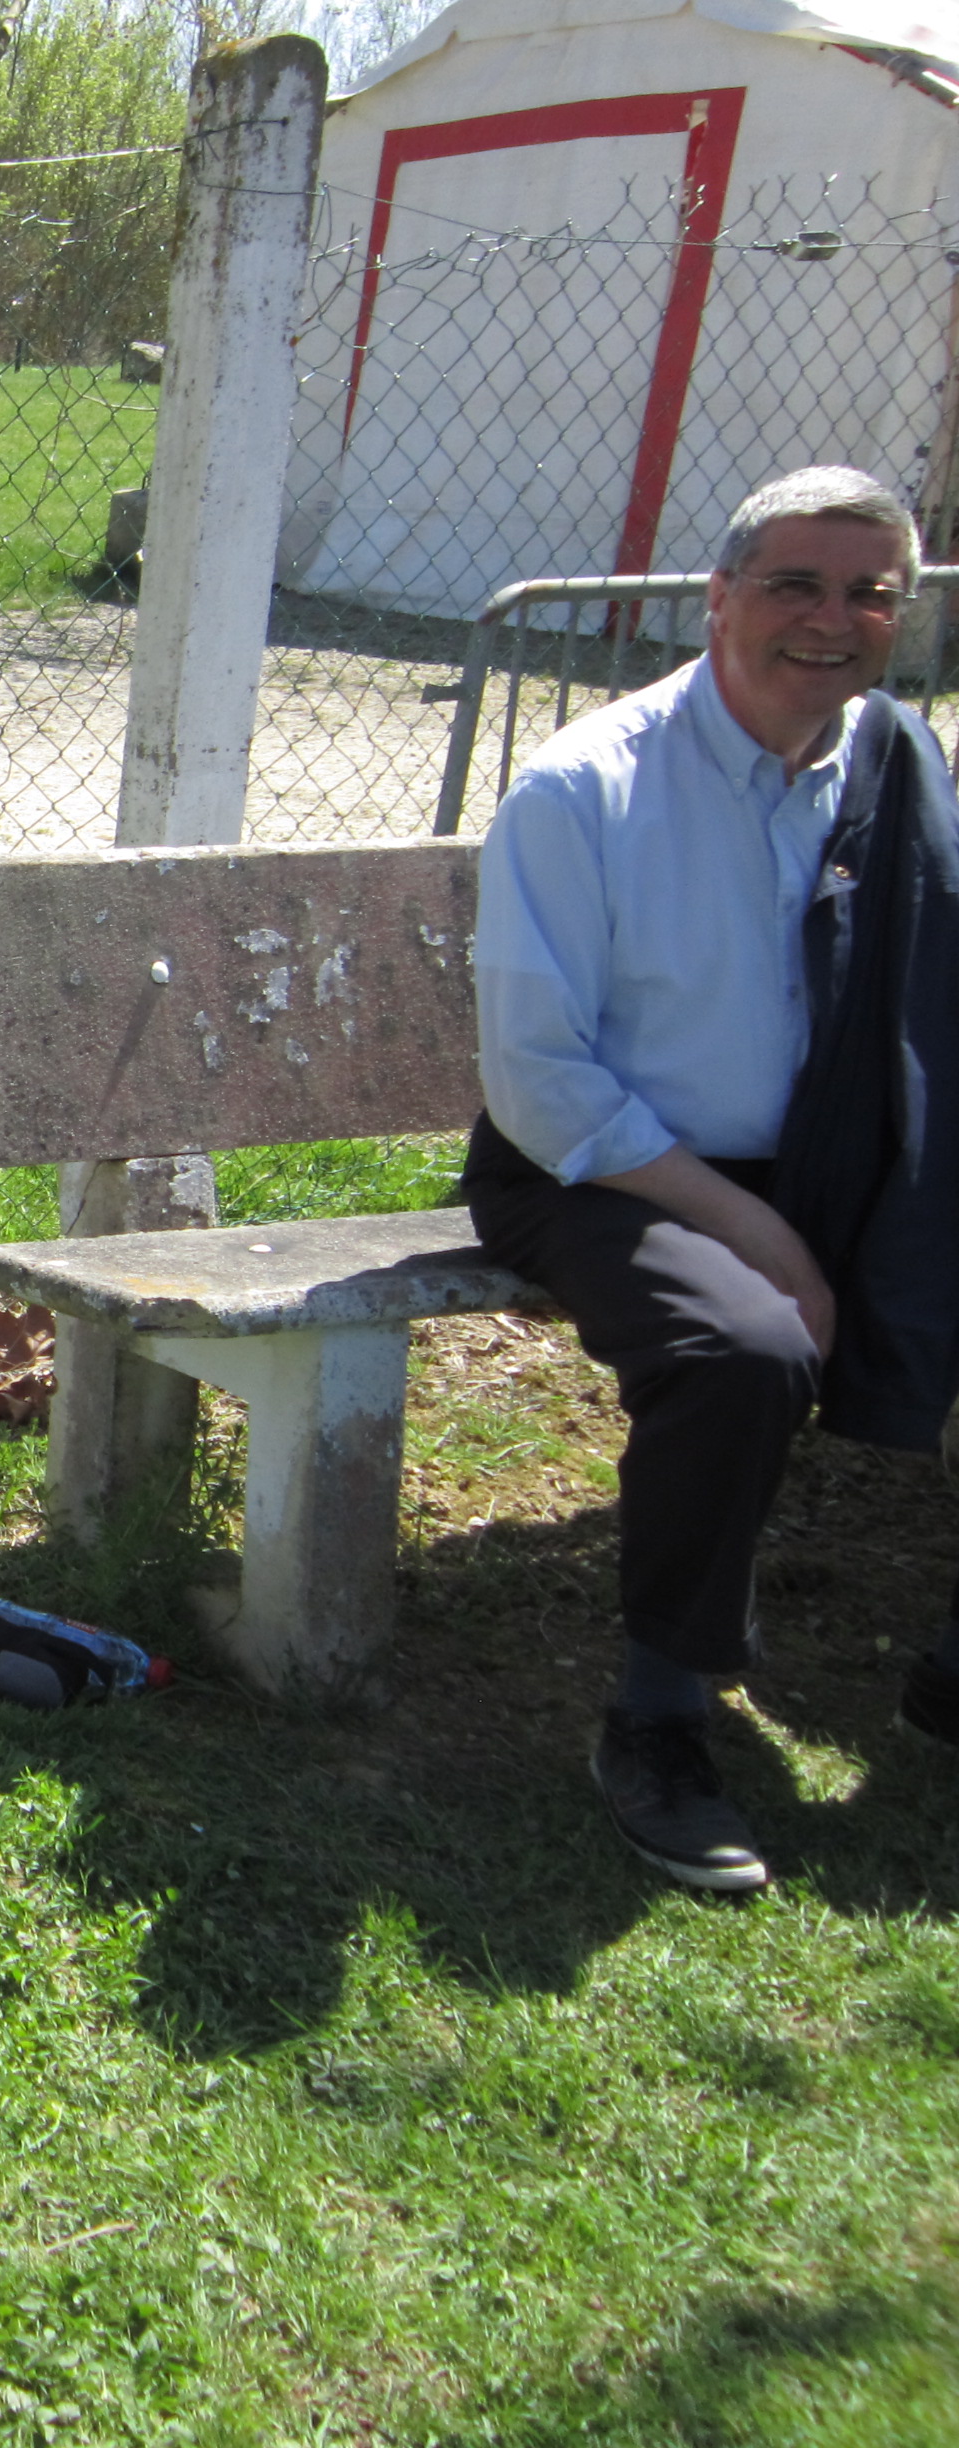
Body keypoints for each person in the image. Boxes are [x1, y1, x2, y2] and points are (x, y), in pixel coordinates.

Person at [467, 463, 959, 1895]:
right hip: (599, 1167)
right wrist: (764, 1237)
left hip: (829, 1157)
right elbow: (542, 1081)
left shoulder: (896, 774)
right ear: (718, 599)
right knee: (740, 1348)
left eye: (871, 593)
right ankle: (660, 1716)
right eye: (796, 584)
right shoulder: (586, 788)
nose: (832, 621)